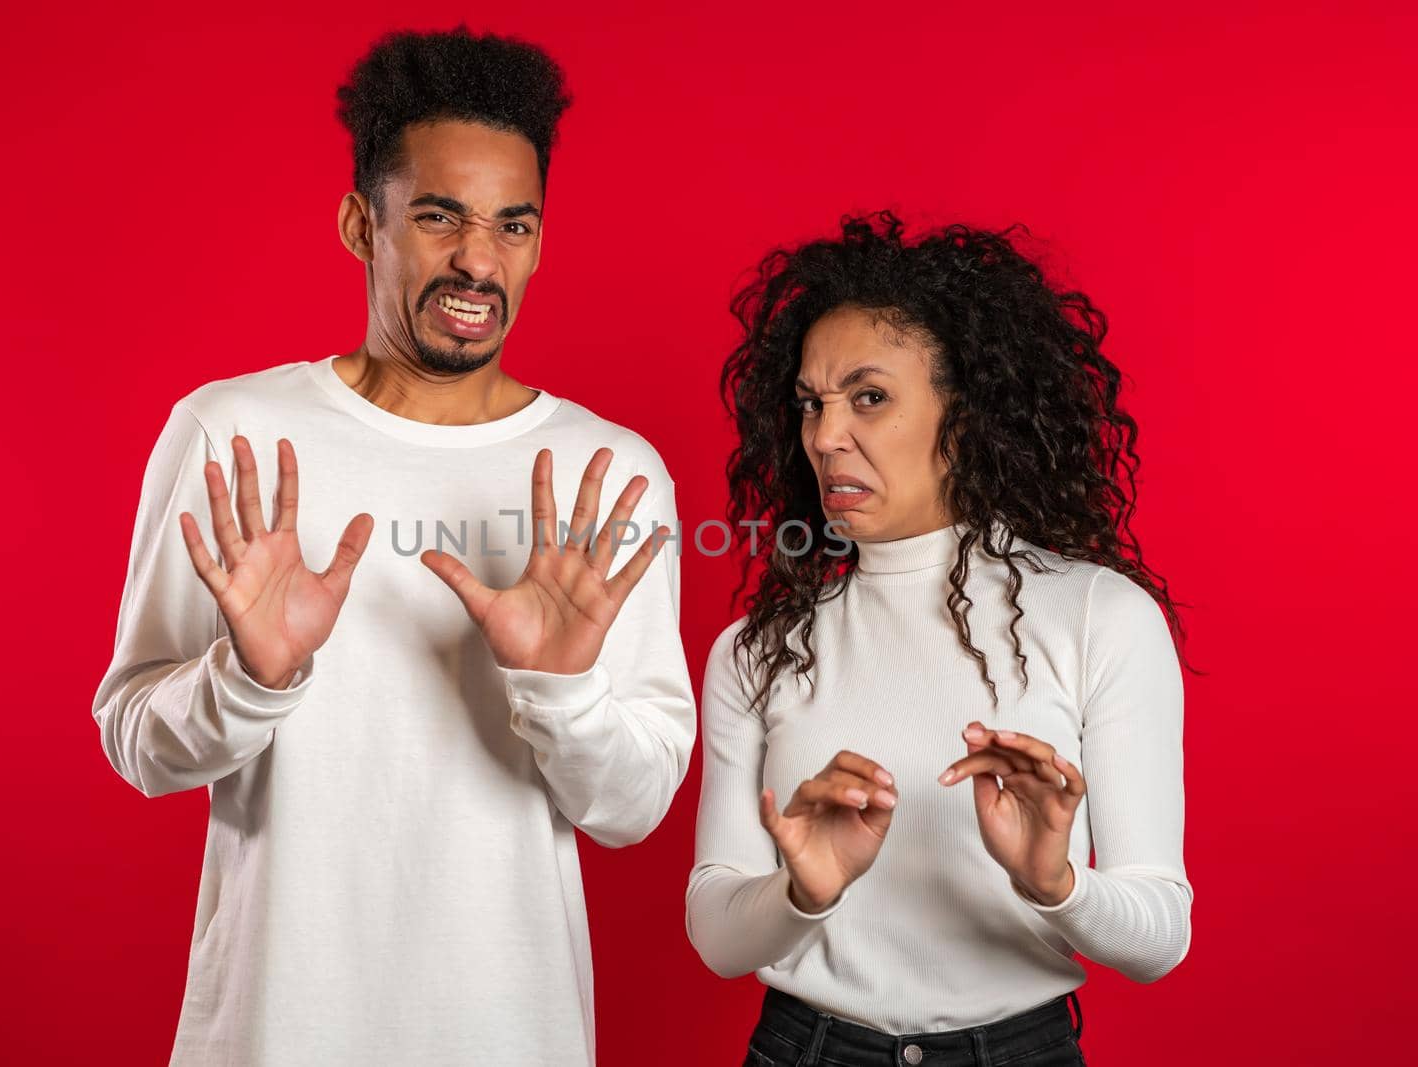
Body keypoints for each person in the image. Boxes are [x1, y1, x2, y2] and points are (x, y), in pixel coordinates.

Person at [91, 26, 694, 1066]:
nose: (476, 258)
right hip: (272, 1031)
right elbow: (135, 740)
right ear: (359, 223)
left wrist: (560, 691)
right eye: (437, 215)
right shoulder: (227, 435)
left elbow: (631, 808)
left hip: (515, 1030)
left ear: (541, 241)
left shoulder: (610, 473)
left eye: (513, 225)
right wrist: (248, 677)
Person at [687, 211, 1193, 1066]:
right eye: (811, 403)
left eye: (868, 396)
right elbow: (715, 930)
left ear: (966, 413)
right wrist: (800, 891)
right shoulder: (756, 649)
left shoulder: (1101, 617)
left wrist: (1054, 883)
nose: (824, 434)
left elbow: (1160, 935)